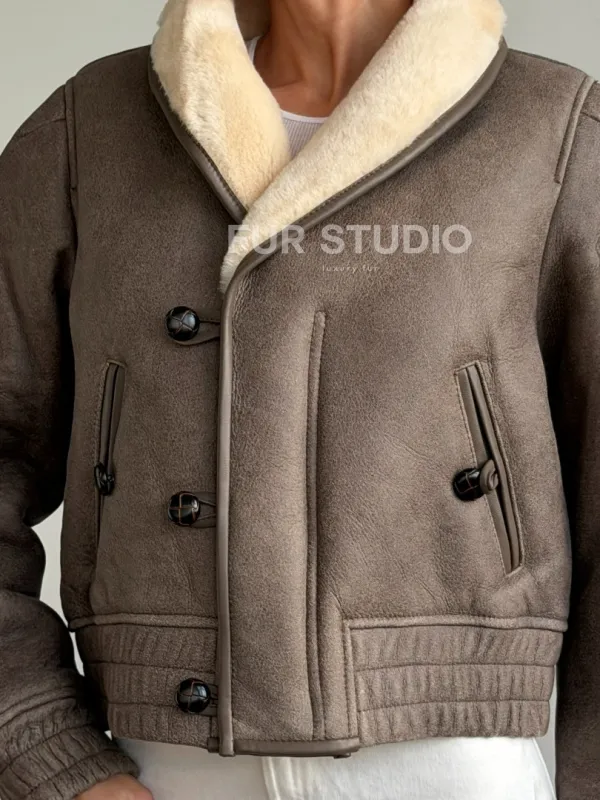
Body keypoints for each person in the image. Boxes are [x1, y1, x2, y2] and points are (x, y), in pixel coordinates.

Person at [0, 0, 598, 798]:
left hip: (450, 761)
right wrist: (49, 752)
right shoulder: (92, 129)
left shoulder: (553, 129)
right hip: (164, 765)